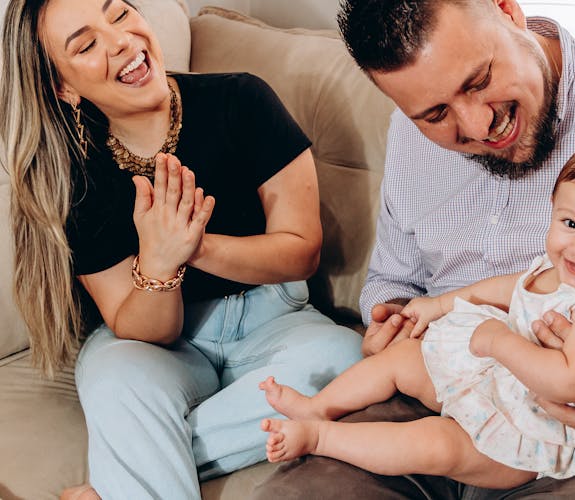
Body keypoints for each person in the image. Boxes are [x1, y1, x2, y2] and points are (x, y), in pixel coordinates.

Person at [252, 0, 575, 498]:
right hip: (444, 384)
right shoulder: (410, 131)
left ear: (508, 10)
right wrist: (396, 321)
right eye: (437, 114)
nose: (476, 125)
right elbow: (395, 283)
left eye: (478, 80)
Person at [0, 0, 363, 498]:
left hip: (273, 317)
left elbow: (301, 251)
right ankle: (136, 455)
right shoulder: (73, 180)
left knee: (344, 358)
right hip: (160, 343)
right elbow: (145, 330)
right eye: (85, 45)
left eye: (120, 13)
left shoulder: (243, 99)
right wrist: (160, 260)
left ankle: (118, 479)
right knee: (113, 374)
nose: (121, 40)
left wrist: (192, 247)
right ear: (64, 88)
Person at [257, 134, 575, 487]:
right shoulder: (564, 269)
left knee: (437, 444)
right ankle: (320, 407)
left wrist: (497, 341)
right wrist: (440, 304)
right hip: (497, 387)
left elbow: (567, 381)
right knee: (404, 358)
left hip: (533, 432)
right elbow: (506, 288)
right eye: (569, 224)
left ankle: (321, 437)